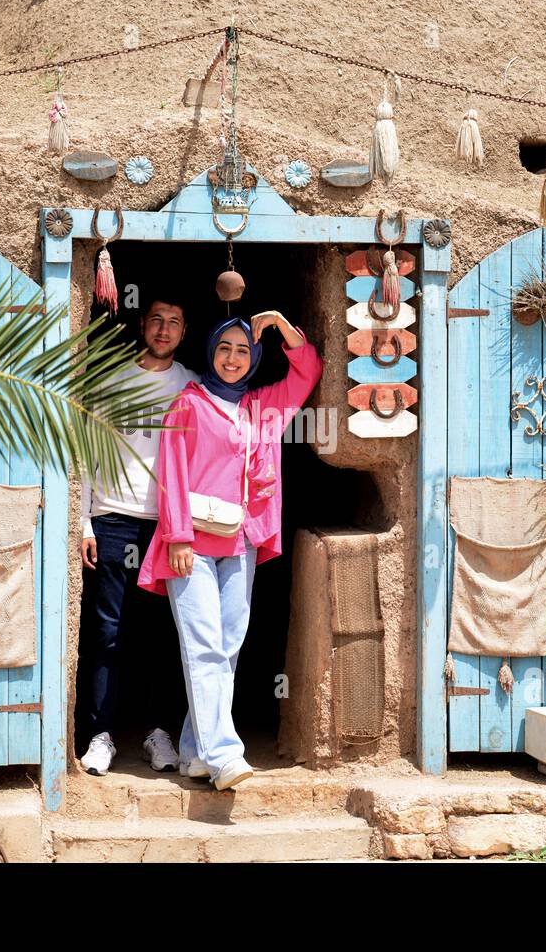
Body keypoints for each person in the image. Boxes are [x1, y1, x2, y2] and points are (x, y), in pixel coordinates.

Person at [138, 311, 321, 791]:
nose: (233, 358)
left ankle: (196, 751)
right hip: (191, 546)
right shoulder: (188, 404)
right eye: (224, 348)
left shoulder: (264, 407)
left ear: (255, 357)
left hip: (240, 544)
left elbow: (308, 371)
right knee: (203, 647)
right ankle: (224, 753)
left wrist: (283, 323)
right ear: (210, 353)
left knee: (228, 648)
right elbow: (172, 473)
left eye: (243, 350)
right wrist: (176, 536)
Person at [78, 297, 199, 776]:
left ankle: (157, 734)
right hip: (111, 520)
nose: (164, 330)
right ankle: (100, 735)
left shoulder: (192, 385)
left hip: (168, 526)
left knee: (163, 635)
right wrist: (83, 520)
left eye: (174, 322)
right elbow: (83, 448)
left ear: (185, 330)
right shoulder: (110, 379)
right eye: (156, 320)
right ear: (142, 325)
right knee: (107, 633)